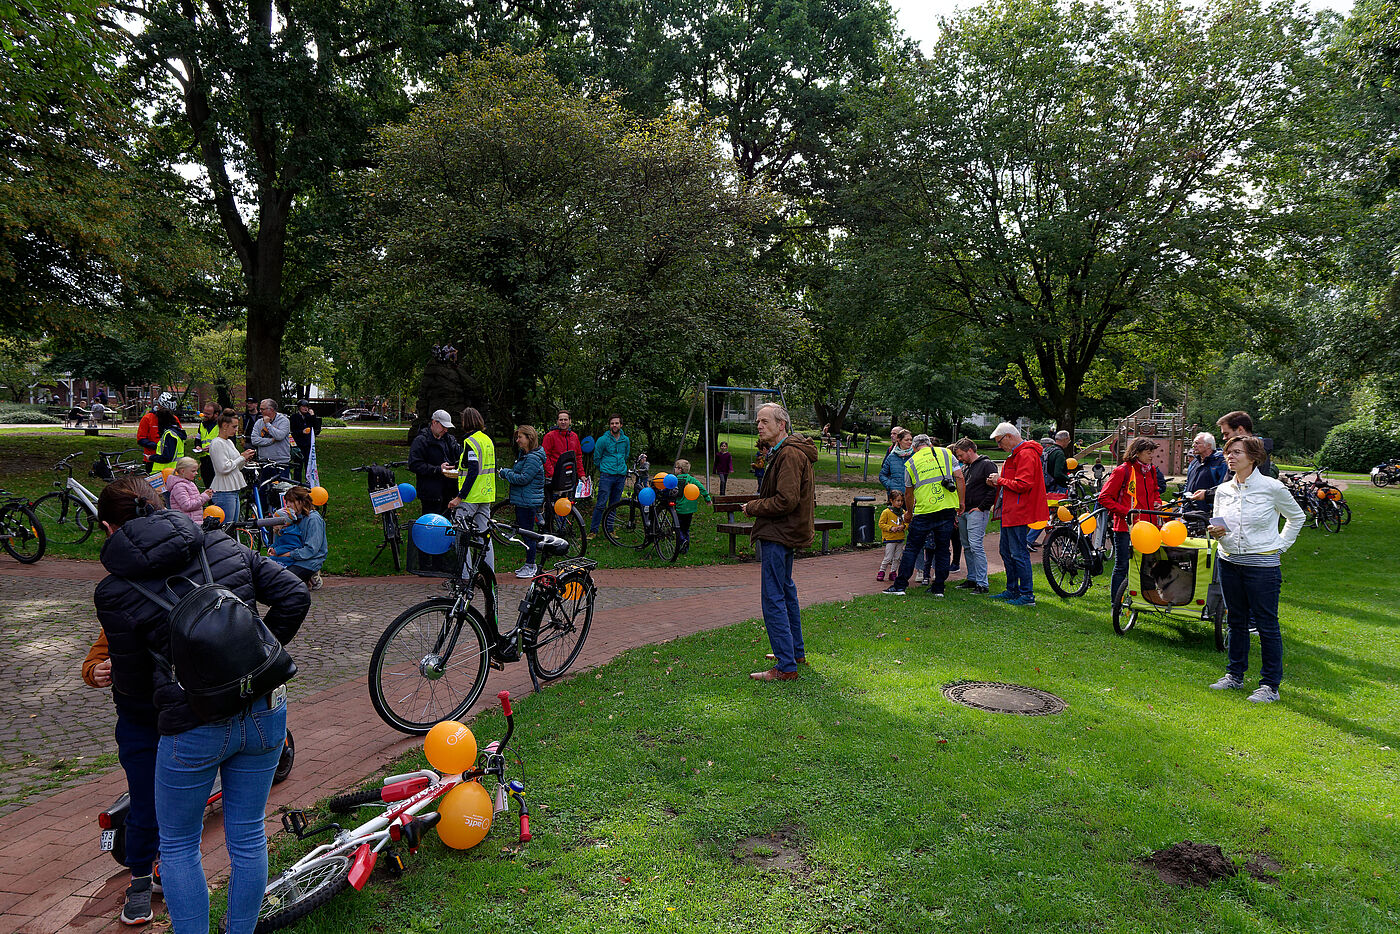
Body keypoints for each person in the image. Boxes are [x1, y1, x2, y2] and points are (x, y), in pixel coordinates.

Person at [93, 476, 309, 934]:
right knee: (248, 837)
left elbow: (132, 692)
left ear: (111, 530)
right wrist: (254, 662)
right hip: (264, 710)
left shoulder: (115, 592)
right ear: (163, 505)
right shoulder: (222, 544)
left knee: (178, 846)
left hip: (190, 727)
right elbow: (294, 594)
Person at [1207, 435, 1305, 703]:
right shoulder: (1223, 490)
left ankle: (1270, 686)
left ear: (1253, 457)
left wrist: (1280, 546)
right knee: (1235, 622)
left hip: (1262, 568)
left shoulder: (1272, 488)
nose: (1230, 456)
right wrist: (1216, 532)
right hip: (1228, 562)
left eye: (1237, 452)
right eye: (1228, 452)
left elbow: (1297, 517)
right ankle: (1234, 676)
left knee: (1266, 625)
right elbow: (1221, 523)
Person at [82, 629, 162, 925]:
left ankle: (165, 868)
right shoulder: (121, 607)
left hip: (184, 717)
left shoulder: (184, 594)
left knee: (178, 805)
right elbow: (93, 661)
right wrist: (96, 671)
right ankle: (140, 881)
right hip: (138, 723)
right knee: (143, 804)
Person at [743, 403, 817, 681]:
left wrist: (753, 507)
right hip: (785, 532)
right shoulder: (788, 451)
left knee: (773, 596)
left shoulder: (788, 454)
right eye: (758, 422)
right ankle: (793, 653)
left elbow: (786, 500)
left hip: (779, 532)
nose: (760, 426)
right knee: (786, 592)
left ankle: (786, 666)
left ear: (781, 425)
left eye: (764, 421)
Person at [881, 434, 963, 597]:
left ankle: (900, 586)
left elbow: (909, 493)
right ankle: (938, 587)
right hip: (947, 508)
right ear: (929, 444)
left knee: (912, 548)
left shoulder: (911, 462)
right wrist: (962, 502)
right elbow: (960, 477)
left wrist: (909, 512)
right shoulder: (946, 453)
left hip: (924, 511)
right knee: (942, 549)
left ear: (915, 447)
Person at [988, 422, 1048, 605]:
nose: (999, 446)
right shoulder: (1020, 453)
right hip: (1012, 511)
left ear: (1009, 436)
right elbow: (1019, 483)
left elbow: (1024, 485)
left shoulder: (1026, 454)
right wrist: (999, 482)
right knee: (1007, 551)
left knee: (1017, 552)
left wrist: (1000, 480)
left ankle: (1026, 594)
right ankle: (1014, 590)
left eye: (1000, 442)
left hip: (1018, 512)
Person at [1098, 437, 1163, 601]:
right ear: (1137, 453)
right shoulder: (1122, 471)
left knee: (1148, 565)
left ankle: (1146, 601)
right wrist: (1125, 512)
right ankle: (1116, 603)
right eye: (1148, 453)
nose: (1151, 456)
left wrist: (1158, 502)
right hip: (1125, 528)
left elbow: (1155, 491)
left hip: (1149, 527)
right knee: (1122, 566)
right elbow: (1104, 498)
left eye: (1152, 453)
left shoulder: (1152, 470)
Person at [447, 407, 496, 572]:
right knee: (484, 538)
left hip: (470, 497)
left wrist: (459, 497)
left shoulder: (470, 441)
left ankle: (464, 576)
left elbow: (473, 470)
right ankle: (488, 575)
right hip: (486, 494)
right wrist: (457, 465)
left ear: (466, 422)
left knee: (461, 536)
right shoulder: (486, 439)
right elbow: (473, 464)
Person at [497, 425, 546, 577]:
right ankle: (528, 564)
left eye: (520, 437)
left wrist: (506, 473)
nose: (517, 440)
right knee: (526, 533)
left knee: (528, 535)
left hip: (527, 502)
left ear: (529, 438)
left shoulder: (532, 458)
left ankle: (531, 565)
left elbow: (523, 478)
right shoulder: (525, 455)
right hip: (523, 500)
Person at [953, 438, 996, 594]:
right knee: (967, 546)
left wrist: (982, 507)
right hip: (965, 511)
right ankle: (972, 578)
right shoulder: (966, 467)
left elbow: (994, 489)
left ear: (969, 450)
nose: (959, 458)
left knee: (975, 546)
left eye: (961, 455)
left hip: (977, 511)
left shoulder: (986, 465)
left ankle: (982, 583)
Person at [268, 486, 328, 590]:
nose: (288, 505)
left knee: (283, 580)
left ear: (302, 502)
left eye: (291, 502)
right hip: (290, 559)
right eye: (287, 502)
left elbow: (311, 550)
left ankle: (311, 576)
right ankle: (305, 579)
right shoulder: (292, 517)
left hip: (309, 560)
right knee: (270, 574)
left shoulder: (313, 519)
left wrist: (286, 554)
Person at [408, 410, 463, 518]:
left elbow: (460, 455)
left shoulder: (449, 439)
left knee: (447, 525)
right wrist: (438, 469)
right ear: (434, 422)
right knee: (431, 525)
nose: (445, 430)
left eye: (447, 427)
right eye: (443, 426)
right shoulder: (421, 441)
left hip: (449, 491)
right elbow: (414, 464)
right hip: (430, 493)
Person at [1028, 431, 1073, 550]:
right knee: (1063, 515)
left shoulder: (1047, 450)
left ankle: (1030, 539)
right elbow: (1058, 473)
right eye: (1068, 440)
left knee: (1046, 514)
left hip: (1045, 487)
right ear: (1064, 439)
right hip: (1057, 488)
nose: (1069, 443)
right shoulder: (1059, 453)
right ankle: (1065, 545)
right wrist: (1068, 478)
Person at [209, 413, 255, 524]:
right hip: (224, 490)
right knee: (226, 526)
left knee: (233, 525)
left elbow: (236, 466)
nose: (236, 429)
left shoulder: (229, 442)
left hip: (233, 489)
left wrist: (244, 458)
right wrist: (241, 457)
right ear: (224, 426)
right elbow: (223, 468)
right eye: (234, 426)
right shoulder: (216, 443)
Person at [589, 415, 631, 537]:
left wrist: (621, 468)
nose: (614, 425)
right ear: (609, 425)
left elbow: (626, 455)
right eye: (612, 423)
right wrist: (603, 469)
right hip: (607, 475)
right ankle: (593, 530)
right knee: (601, 503)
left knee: (614, 504)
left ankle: (610, 529)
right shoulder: (603, 440)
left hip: (620, 476)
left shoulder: (625, 440)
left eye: (617, 423)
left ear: (621, 425)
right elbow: (597, 457)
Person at [1216, 410, 1278, 478]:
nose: (1224, 438)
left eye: (1226, 434)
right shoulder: (1258, 448)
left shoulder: (1256, 451)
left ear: (1240, 429)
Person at [672, 459, 711, 554]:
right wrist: (707, 498)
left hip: (680, 509)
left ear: (680, 469)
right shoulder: (692, 479)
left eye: (676, 468)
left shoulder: (675, 480)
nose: (675, 469)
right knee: (686, 528)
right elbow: (701, 488)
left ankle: (682, 541)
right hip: (690, 510)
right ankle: (685, 548)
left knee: (677, 527)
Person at [1184, 432, 1228, 514]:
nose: (1194, 445)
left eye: (1197, 443)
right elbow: (1188, 483)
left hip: (1208, 512)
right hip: (1188, 510)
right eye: (1194, 443)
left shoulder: (1220, 463)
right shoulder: (1194, 463)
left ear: (1208, 445)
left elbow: (1223, 488)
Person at [541, 410, 583, 495]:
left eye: (565, 419)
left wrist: (581, 474)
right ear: (557, 421)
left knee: (568, 503)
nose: (563, 422)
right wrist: (552, 473)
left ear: (570, 421)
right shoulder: (550, 436)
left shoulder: (574, 437)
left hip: (570, 476)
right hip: (555, 477)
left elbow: (578, 457)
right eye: (561, 420)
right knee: (554, 504)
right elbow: (544, 456)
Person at [250, 399, 292, 479]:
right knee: (264, 489)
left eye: (262, 409)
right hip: (264, 462)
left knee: (282, 489)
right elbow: (254, 440)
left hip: (281, 463)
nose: (260, 411)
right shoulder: (259, 422)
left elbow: (279, 436)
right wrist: (271, 440)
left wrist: (267, 424)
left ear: (271, 410)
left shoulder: (284, 421)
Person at [138, 394, 182, 468]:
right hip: (152, 458)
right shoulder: (147, 418)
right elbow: (141, 439)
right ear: (159, 406)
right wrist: (158, 446)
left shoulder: (174, 419)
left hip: (171, 459)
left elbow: (180, 435)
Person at [166, 457, 212, 524]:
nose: (196, 473)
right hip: (187, 524)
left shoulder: (189, 484)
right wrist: (204, 497)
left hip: (192, 522)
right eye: (193, 471)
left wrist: (205, 495)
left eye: (196, 471)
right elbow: (187, 505)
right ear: (183, 471)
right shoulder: (179, 486)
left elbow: (195, 501)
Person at [288, 401, 322, 483]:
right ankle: (297, 482)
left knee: (309, 463)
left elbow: (317, 427)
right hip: (298, 444)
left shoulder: (309, 417)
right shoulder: (294, 417)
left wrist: (313, 416)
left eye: (306, 406)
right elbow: (292, 431)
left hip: (308, 444)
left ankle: (309, 481)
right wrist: (301, 432)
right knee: (298, 465)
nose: (305, 408)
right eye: (303, 406)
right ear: (299, 407)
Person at [876, 490, 906, 582]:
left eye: (901, 501)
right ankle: (882, 571)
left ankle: (893, 572)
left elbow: (907, 523)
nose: (900, 503)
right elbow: (881, 524)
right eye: (897, 500)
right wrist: (890, 528)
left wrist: (903, 526)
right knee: (888, 557)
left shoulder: (903, 512)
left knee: (897, 558)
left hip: (900, 538)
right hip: (890, 538)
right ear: (891, 501)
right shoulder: (886, 512)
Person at [149, 406, 187, 477]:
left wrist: (151, 458)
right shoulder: (176, 432)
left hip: (166, 472)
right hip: (174, 470)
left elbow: (167, 457)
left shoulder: (169, 434)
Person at [191, 402, 220, 487]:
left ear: (216, 414)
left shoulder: (222, 425)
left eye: (208, 414)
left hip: (217, 460)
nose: (204, 415)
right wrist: (197, 446)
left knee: (217, 487)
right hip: (204, 460)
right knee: (208, 486)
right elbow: (198, 439)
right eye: (204, 413)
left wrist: (212, 447)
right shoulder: (202, 425)